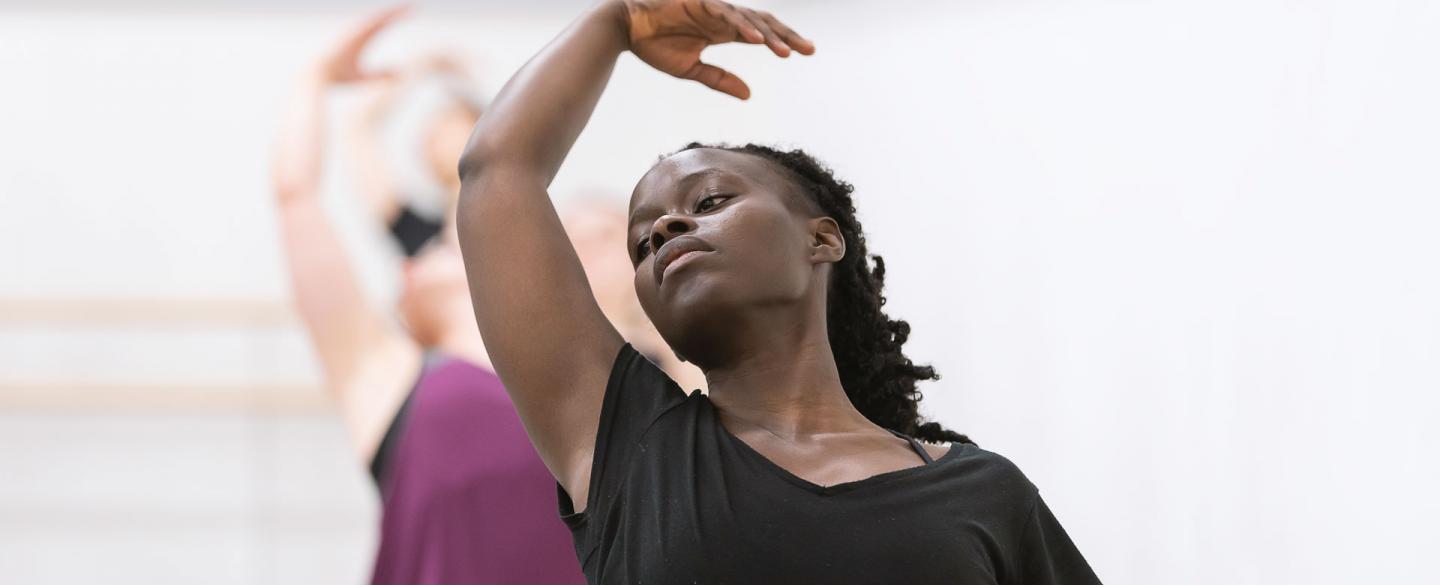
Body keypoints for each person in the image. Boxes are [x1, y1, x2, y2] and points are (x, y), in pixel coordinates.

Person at [455, 0, 1103, 583]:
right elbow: (497, 172)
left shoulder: (983, 492)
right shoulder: (630, 449)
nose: (668, 228)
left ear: (822, 239)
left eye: (709, 200)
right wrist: (615, 22)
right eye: (644, 242)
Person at [270, 7, 692, 584]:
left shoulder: (644, 376)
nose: (459, 251)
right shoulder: (386, 376)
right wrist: (313, 79)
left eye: (604, 237)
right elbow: (297, 197)